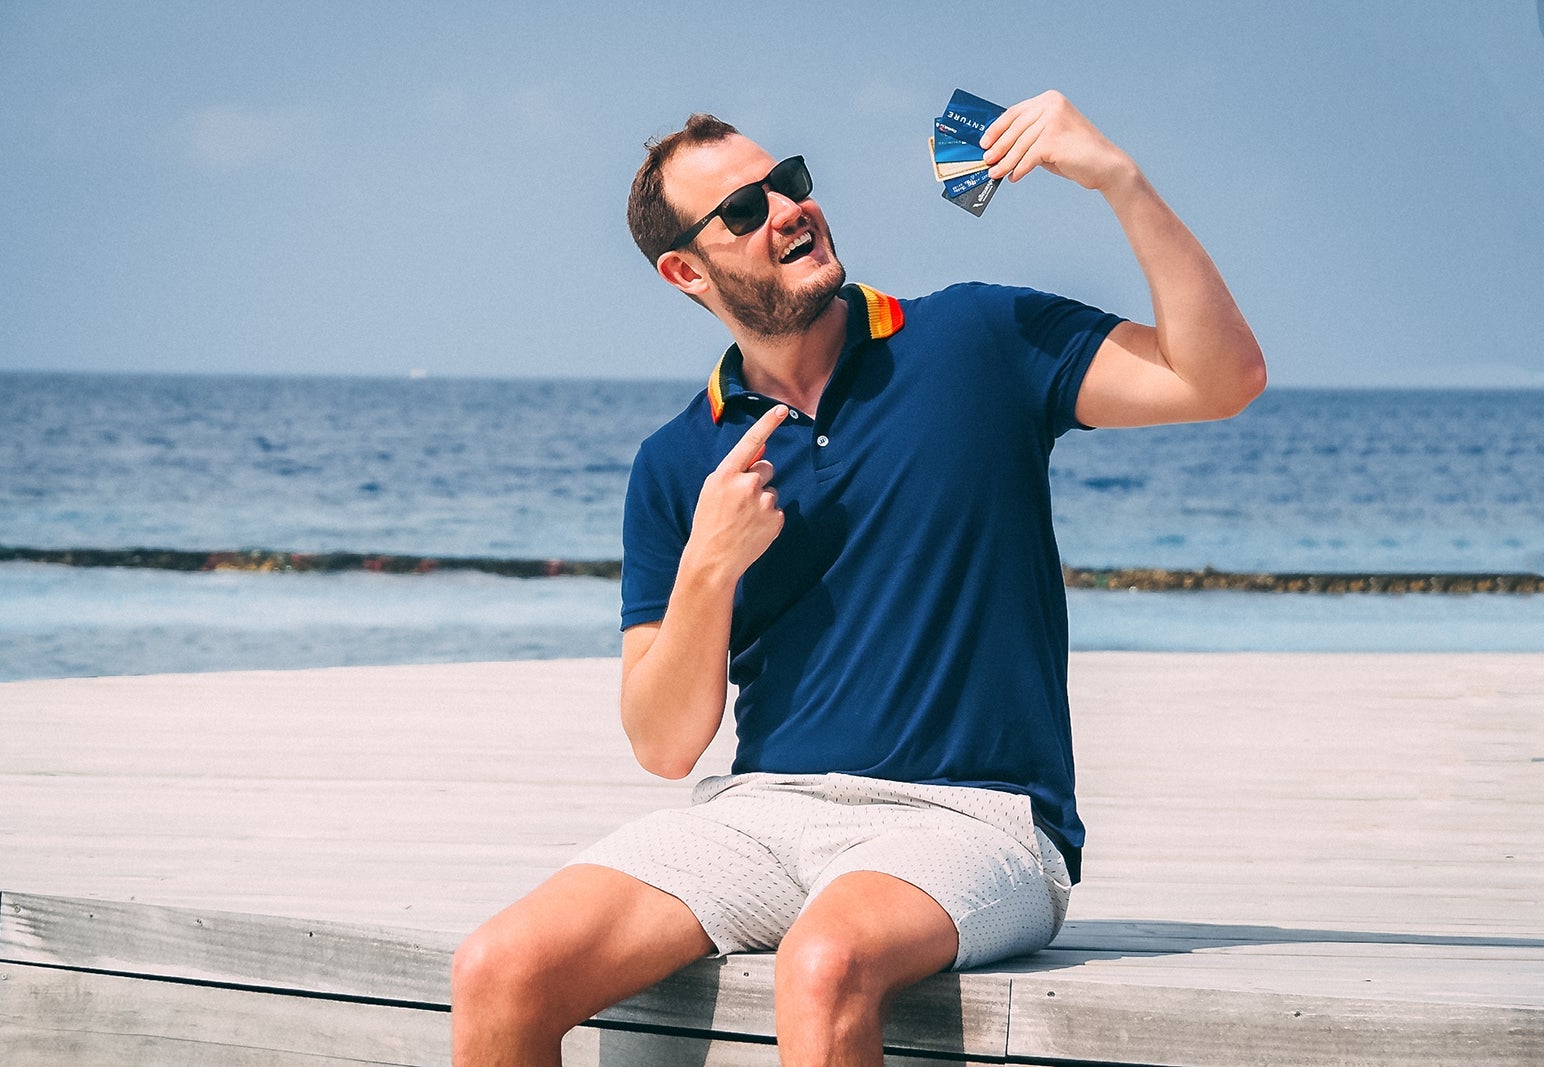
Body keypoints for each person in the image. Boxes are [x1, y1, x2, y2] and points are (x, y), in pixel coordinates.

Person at [451, 90, 1265, 1067]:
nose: (789, 208)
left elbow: (1221, 379)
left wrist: (1116, 180)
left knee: (822, 960)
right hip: (759, 815)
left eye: (785, 182)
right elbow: (665, 745)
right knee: (497, 967)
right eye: (743, 212)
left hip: (974, 817)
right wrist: (709, 564)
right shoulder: (678, 462)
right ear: (685, 270)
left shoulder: (977, 340)